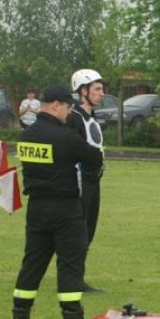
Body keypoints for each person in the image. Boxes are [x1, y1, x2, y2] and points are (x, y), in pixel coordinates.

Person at [11, 85, 104, 319]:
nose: (69, 113)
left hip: (37, 208)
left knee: (32, 263)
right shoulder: (66, 137)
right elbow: (94, 158)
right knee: (70, 265)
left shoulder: (26, 137)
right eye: (67, 108)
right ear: (56, 105)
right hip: (65, 207)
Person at [68, 69, 106, 292]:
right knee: (80, 231)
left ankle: (77, 275)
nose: (102, 93)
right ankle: (75, 278)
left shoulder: (91, 117)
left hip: (93, 181)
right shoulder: (74, 118)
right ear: (83, 91)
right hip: (82, 182)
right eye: (97, 89)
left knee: (89, 229)